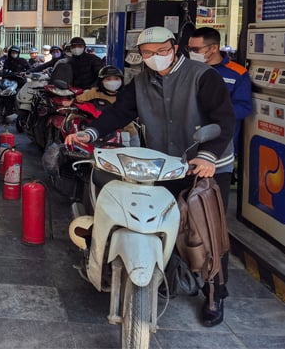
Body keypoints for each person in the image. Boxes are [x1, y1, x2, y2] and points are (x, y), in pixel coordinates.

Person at [65, 26, 235, 327]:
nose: (155, 57)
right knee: (157, 219)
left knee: (207, 233)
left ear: (174, 47)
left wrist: (207, 156)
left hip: (207, 166)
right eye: (147, 53)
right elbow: (120, 113)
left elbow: (223, 119)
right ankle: (160, 273)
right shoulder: (140, 82)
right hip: (165, 165)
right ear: (140, 56)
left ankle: (214, 293)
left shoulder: (203, 76)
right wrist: (90, 132)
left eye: (161, 51)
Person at [188, 27, 252, 155]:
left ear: (214, 48)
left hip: (220, 142)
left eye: (196, 50)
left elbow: (243, 107)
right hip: (188, 140)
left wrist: (215, 113)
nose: (191, 53)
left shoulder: (237, 73)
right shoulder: (187, 69)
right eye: (189, 49)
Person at [75, 65, 138, 146]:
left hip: (126, 132)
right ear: (101, 81)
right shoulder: (93, 93)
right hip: (101, 130)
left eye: (116, 79)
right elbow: (78, 100)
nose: (112, 82)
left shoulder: (126, 95)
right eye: (108, 79)